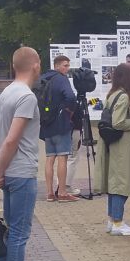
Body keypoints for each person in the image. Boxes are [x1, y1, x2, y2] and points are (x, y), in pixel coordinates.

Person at [0, 47, 50, 261]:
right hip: (22, 172)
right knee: (19, 233)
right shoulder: (26, 97)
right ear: (35, 65)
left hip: (9, 172)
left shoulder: (6, 93)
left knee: (8, 231)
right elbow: (11, 139)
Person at [97, 63, 130, 235]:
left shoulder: (112, 94)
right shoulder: (124, 96)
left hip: (112, 145)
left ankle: (112, 219)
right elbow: (118, 122)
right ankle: (118, 221)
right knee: (121, 185)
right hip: (122, 145)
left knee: (115, 183)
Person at [38, 54, 79, 202]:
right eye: (65, 65)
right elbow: (70, 97)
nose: (67, 69)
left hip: (46, 124)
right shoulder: (61, 79)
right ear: (57, 66)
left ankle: (49, 193)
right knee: (62, 157)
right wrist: (67, 111)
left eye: (68, 65)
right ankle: (62, 192)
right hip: (60, 124)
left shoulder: (44, 78)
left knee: (49, 158)